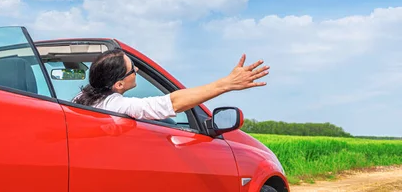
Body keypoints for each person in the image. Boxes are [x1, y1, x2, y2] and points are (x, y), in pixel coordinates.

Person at [72, 49, 269, 121]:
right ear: (119, 84)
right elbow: (172, 103)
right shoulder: (116, 106)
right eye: (133, 69)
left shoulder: (79, 100)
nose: (138, 71)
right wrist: (227, 83)